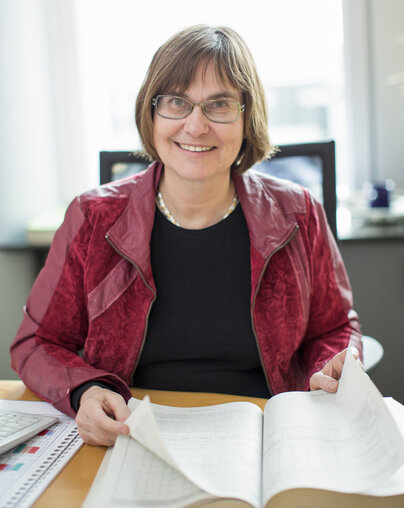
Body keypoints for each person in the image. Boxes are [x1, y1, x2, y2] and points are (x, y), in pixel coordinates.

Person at [10, 25, 362, 447]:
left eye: (220, 105)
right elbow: (36, 343)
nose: (196, 126)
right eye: (177, 102)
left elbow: (336, 328)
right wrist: (86, 389)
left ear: (247, 119)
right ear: (152, 112)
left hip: (268, 437)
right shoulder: (92, 217)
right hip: (133, 435)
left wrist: (331, 366)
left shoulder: (299, 212)